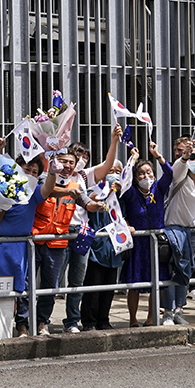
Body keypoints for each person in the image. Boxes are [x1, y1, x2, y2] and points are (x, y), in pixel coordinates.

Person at [0, 147, 53, 337]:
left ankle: (22, 326)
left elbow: (49, 188)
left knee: (20, 289)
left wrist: (52, 170)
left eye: (34, 172)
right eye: (26, 169)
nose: (30, 173)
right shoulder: (1, 186)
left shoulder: (34, 192)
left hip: (19, 248)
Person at [58, 126, 121, 333]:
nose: (80, 159)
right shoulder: (55, 175)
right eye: (77, 154)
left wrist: (114, 141)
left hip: (81, 231)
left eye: (85, 156)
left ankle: (72, 321)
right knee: (52, 279)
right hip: (58, 230)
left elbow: (108, 164)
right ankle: (40, 321)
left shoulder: (85, 176)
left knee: (77, 280)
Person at [30, 150, 95, 336]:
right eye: (63, 161)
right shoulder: (42, 178)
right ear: (55, 162)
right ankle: (24, 323)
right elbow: (48, 190)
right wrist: (68, 191)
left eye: (71, 163)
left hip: (58, 243)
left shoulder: (76, 185)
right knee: (27, 285)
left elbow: (86, 202)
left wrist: (97, 205)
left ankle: (42, 322)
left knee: (50, 287)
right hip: (35, 239)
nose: (67, 166)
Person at [120, 143, 173, 326]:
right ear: (136, 177)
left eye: (149, 172)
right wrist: (133, 159)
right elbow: (123, 179)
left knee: (155, 283)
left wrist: (157, 155)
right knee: (134, 284)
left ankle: (151, 318)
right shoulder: (131, 192)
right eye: (141, 173)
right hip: (137, 243)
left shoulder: (158, 188)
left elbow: (170, 173)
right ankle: (133, 319)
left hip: (156, 241)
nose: (146, 176)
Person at [164, 139, 195, 315]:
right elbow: (177, 169)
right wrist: (185, 157)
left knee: (186, 269)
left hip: (193, 232)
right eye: (193, 156)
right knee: (172, 269)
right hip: (174, 230)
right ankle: (169, 310)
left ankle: (179, 308)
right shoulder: (179, 176)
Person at [80, 174, 125, 331]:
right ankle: (89, 321)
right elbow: (86, 199)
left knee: (109, 288)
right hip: (97, 249)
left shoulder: (120, 200)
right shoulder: (96, 197)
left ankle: (103, 319)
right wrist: (102, 192)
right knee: (93, 287)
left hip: (115, 249)